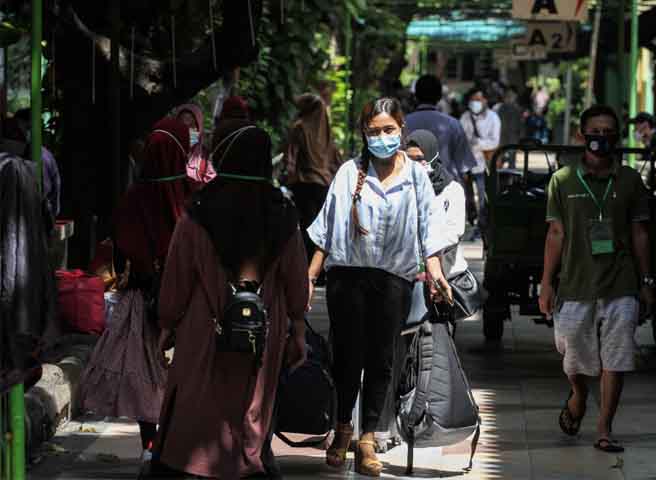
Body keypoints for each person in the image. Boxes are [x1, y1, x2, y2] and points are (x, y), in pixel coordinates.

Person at [150, 119, 308, 478]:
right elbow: (296, 281)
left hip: (203, 330)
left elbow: (176, 280)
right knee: (250, 409)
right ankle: (244, 463)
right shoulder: (283, 213)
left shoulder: (197, 211)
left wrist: (167, 324)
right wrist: (297, 329)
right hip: (262, 335)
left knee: (201, 405)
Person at [307, 98, 453, 477]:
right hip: (347, 280)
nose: (383, 138)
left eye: (389, 130)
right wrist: (307, 278)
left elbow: (429, 227)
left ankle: (368, 437)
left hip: (394, 281)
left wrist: (436, 271)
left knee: (381, 360)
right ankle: (342, 429)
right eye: (374, 131)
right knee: (347, 357)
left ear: (401, 130)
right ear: (364, 134)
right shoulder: (347, 173)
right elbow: (326, 230)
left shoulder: (416, 176)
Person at [539, 105, 654, 453]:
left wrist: (646, 282)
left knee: (616, 359)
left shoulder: (631, 180)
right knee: (573, 356)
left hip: (621, 284)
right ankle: (578, 393)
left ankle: (604, 428)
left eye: (608, 132)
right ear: (580, 135)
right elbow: (555, 233)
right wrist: (546, 282)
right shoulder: (562, 180)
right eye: (595, 131)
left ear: (617, 138)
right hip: (575, 284)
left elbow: (639, 234)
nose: (601, 138)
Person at [80, 118, 193, 458]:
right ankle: (180, 439)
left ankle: (149, 441)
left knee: (148, 370)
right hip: (188, 301)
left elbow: (122, 245)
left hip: (144, 300)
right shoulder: (192, 196)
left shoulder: (133, 198)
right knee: (183, 371)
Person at [284, 93, 341, 262]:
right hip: (324, 184)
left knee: (305, 226)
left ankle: (305, 265)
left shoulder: (299, 127)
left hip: (303, 183)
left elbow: (290, 156)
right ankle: (320, 267)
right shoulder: (326, 131)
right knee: (321, 227)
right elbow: (336, 159)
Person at [405, 129, 468, 280]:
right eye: (409, 159)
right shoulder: (400, 188)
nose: (414, 165)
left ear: (432, 157)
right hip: (407, 275)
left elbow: (454, 232)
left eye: (419, 159)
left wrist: (426, 251)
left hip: (447, 274)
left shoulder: (452, 190)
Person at [405, 74, 476, 181]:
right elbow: (464, 167)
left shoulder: (403, 124)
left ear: (416, 96)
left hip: (412, 190)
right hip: (446, 190)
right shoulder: (452, 124)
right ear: (439, 97)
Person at [460, 88, 501, 241]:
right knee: (467, 197)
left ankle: (481, 228)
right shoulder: (465, 117)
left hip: (484, 163)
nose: (475, 103)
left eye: (478, 99)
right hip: (466, 164)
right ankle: (472, 222)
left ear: (485, 100)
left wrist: (477, 144)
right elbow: (460, 137)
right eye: (473, 99)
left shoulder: (493, 118)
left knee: (484, 198)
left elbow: (495, 141)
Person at [5, 111, 61, 217]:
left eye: (27, 128)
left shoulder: (44, 157)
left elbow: (55, 190)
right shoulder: (11, 156)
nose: (21, 133)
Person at [175, 103, 216, 185]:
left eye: (192, 127)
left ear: (199, 127)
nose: (188, 132)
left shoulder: (205, 155)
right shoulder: (168, 152)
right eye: (183, 127)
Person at [494, 86, 525, 168]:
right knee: (500, 157)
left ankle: (511, 177)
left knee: (512, 158)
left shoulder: (517, 109)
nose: (510, 98)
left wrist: (521, 138)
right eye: (508, 96)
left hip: (513, 136)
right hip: (502, 136)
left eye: (512, 96)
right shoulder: (499, 109)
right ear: (504, 97)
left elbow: (521, 125)